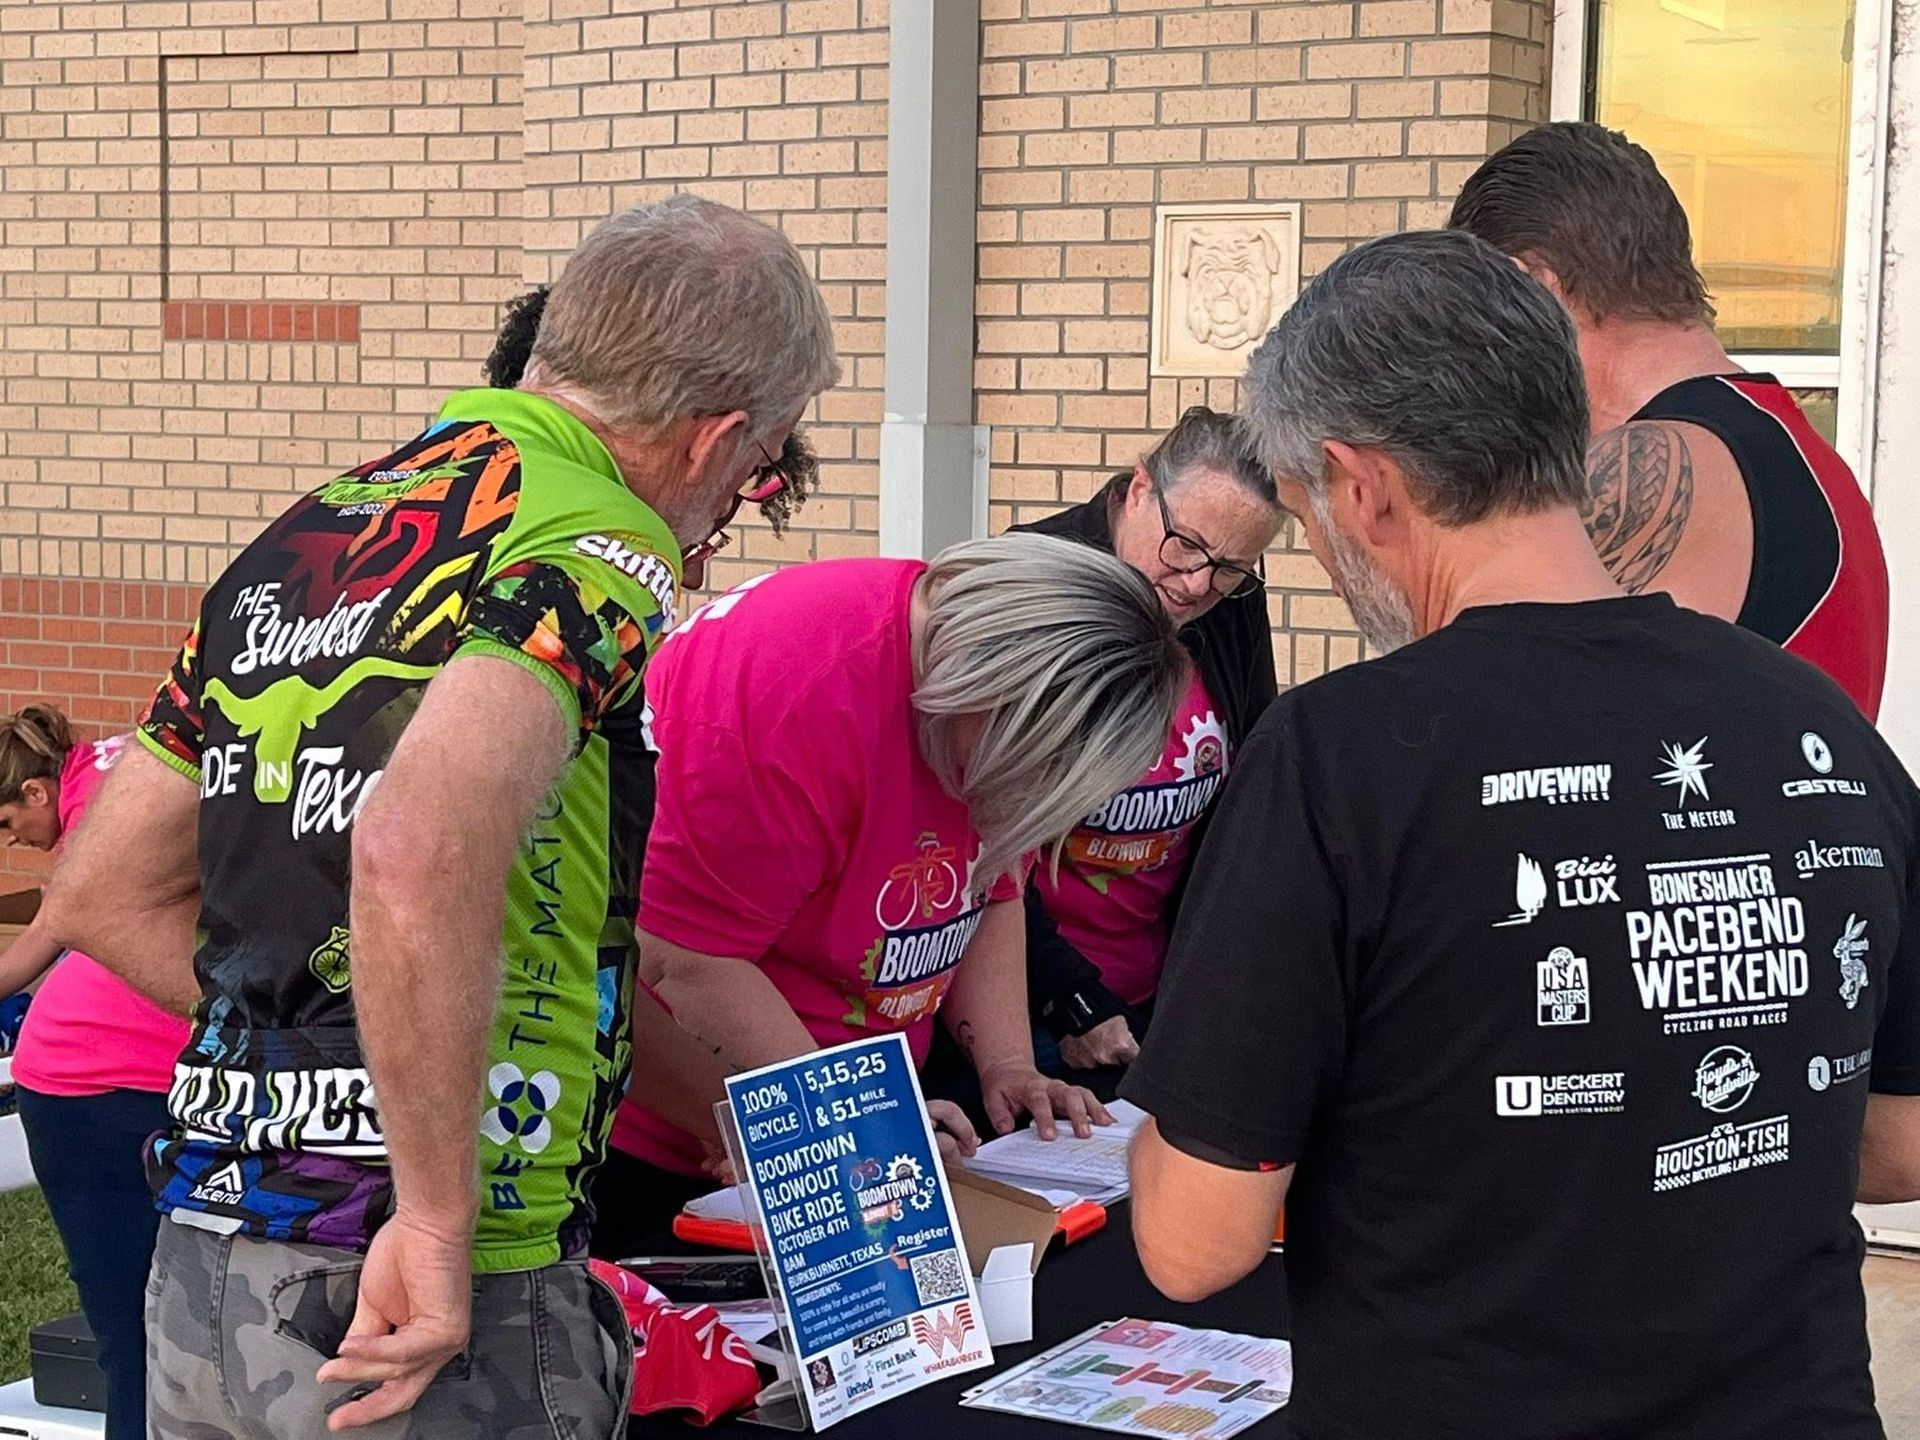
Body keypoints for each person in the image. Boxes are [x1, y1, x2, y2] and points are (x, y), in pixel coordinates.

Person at [38, 193, 841, 1439]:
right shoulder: (599, 543)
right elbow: (417, 841)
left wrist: (346, 1067)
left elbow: (98, 888)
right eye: (760, 468)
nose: (737, 503)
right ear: (714, 439)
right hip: (435, 1285)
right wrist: (432, 1209)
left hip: (207, 1261)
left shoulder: (315, 525)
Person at [1123, 229, 1920, 1440]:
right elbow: (1902, 1144)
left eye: (1307, 514)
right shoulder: (1817, 719)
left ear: (1364, 484)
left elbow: (1196, 1243)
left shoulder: (1336, 755)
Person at [588, 534, 1192, 1256]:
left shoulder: (1004, 704)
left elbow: (993, 881)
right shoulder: (792, 689)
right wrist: (846, 1125)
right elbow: (683, 958)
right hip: (668, 1131)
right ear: (986, 693)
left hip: (852, 1097)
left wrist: (1007, 1066)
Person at [1449, 120, 1889, 719]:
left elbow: (1456, 719)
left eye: (1476, 316)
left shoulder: (1646, 463)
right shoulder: (1802, 454)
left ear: (1536, 293)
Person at [1013, 408, 1282, 1074]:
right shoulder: (1034, 579)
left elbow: (1249, 785)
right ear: (1138, 490)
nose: (1197, 584)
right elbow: (979, 838)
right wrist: (1067, 998)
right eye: (1185, 545)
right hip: (1026, 1007)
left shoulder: (1228, 599)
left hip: (1159, 996)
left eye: (1229, 568)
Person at [0, 705, 191, 1440]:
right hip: (99, 1082)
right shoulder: (126, 772)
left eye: (9, 824)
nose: (13, 841)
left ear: (38, 793)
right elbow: (49, 936)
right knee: (142, 1337)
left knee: (163, 1334)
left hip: (104, 1081)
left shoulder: (108, 801)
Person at [481, 282, 820, 591]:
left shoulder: (455, 466)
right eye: (685, 548)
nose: (689, 579)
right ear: (705, 445)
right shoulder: (577, 580)